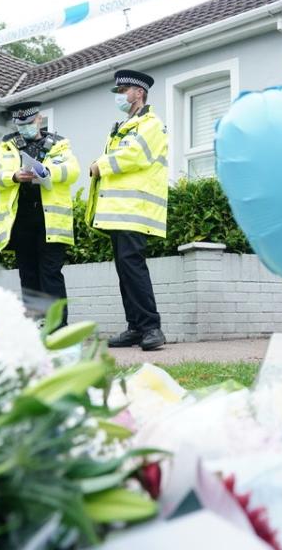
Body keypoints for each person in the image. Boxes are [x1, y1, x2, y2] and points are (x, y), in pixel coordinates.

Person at [87, 69, 168, 351]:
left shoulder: (151, 123)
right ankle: (135, 327)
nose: (119, 96)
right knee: (125, 270)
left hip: (136, 209)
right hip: (118, 211)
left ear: (139, 92)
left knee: (133, 268)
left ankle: (151, 328)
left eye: (123, 91)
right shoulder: (124, 126)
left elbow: (136, 155)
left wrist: (101, 164)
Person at [0, 101, 79, 325]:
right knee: (28, 274)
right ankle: (35, 325)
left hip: (50, 220)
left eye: (28, 122)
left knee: (51, 274)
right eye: (19, 124)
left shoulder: (59, 144)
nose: (24, 127)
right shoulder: (6, 146)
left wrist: (47, 171)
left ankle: (57, 327)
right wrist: (13, 176)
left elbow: (72, 171)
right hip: (21, 220)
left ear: (39, 119)